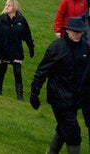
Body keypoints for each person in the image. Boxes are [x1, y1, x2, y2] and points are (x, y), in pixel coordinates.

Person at [29, 17, 89, 154]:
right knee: (74, 133)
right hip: (59, 98)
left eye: (79, 32)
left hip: (75, 99)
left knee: (64, 127)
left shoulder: (85, 48)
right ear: (67, 30)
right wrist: (34, 93)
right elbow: (41, 72)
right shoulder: (57, 47)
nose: (77, 35)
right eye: (74, 31)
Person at [0, 0, 35, 100]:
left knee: (18, 72)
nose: (6, 7)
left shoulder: (21, 21)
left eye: (9, 5)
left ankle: (20, 95)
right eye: (6, 5)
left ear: (15, 7)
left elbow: (27, 35)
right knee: (2, 70)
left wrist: (31, 47)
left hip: (16, 51)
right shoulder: (0, 20)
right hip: (3, 51)